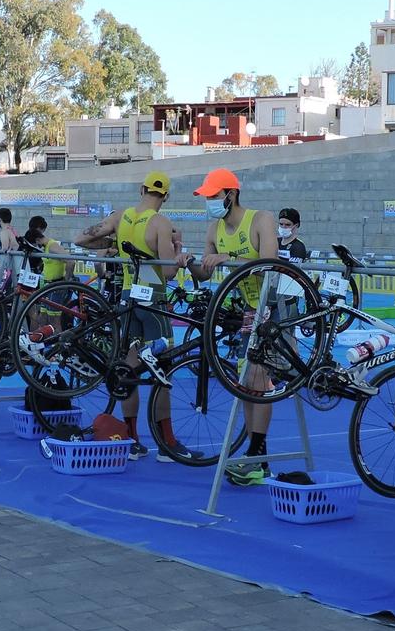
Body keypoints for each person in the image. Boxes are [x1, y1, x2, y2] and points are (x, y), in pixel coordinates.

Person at [76, 170, 191, 453]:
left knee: (128, 367)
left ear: (142, 190)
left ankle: (131, 438)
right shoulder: (161, 224)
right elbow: (166, 271)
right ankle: (168, 444)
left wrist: (115, 244)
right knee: (163, 371)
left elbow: (81, 239)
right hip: (154, 301)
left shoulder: (120, 217)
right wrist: (179, 250)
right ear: (165, 196)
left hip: (127, 298)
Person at [179, 170, 275, 482]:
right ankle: (255, 453)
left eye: (212, 196)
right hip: (248, 309)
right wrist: (189, 262)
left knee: (258, 379)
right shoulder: (213, 229)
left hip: (273, 305)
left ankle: (257, 456)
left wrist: (227, 257)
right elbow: (205, 273)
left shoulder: (261, 219)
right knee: (246, 383)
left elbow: (270, 263)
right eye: (207, 196)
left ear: (230, 195)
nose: (208, 201)